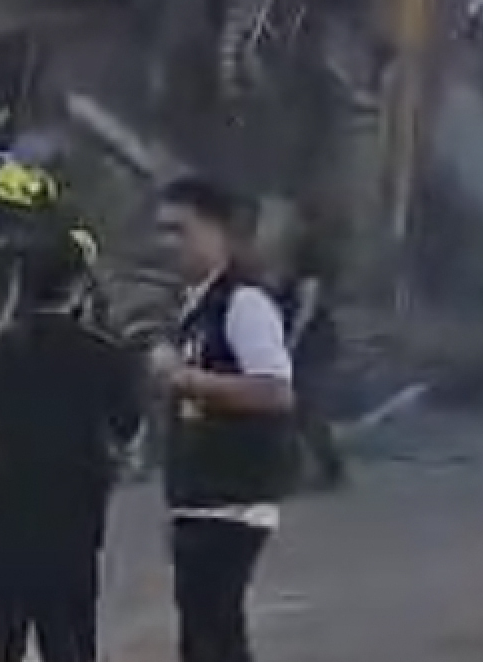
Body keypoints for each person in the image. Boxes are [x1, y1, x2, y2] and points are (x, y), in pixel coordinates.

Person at [0, 222, 138, 662]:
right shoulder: (107, 359)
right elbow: (127, 442)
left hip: (1, 539)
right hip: (70, 544)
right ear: (80, 287)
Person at [149, 176, 300, 662]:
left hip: (231, 499)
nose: (169, 244)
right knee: (206, 635)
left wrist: (186, 379)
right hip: (200, 498)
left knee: (213, 635)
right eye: (163, 232)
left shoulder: (243, 303)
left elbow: (275, 391)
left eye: (180, 230)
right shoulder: (194, 306)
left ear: (218, 233)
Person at [275, 216, 349, 492]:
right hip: (310, 344)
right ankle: (323, 470)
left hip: (312, 345)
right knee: (299, 410)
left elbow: (307, 308)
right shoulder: (293, 268)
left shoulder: (310, 265)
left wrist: (290, 344)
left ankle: (327, 470)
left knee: (306, 408)